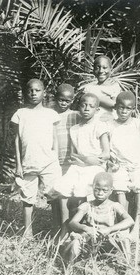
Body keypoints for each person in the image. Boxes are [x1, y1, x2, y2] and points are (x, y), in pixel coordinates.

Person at [11, 78, 61, 238]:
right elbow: (17, 140)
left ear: (44, 93)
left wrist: (56, 158)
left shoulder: (51, 114)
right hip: (28, 162)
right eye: (30, 90)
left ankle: (57, 229)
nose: (33, 93)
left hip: (49, 162)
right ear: (26, 93)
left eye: (37, 90)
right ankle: (27, 231)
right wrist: (18, 165)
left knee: (54, 196)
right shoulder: (20, 114)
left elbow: (55, 139)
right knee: (27, 198)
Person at [49, 92, 110, 217]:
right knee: (61, 186)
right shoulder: (75, 129)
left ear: (97, 110)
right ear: (79, 107)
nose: (87, 108)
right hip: (79, 166)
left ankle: (81, 223)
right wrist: (85, 160)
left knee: (82, 187)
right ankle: (65, 226)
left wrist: (89, 160)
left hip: (96, 167)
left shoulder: (100, 126)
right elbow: (73, 154)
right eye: (84, 105)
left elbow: (106, 154)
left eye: (91, 106)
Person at [60, 172, 134, 263]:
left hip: (109, 243)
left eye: (104, 190)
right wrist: (86, 228)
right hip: (90, 242)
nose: (100, 193)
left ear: (111, 190)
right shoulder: (87, 205)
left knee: (124, 236)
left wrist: (110, 229)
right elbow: (72, 222)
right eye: (97, 189)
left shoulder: (114, 206)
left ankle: (129, 266)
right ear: (93, 188)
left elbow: (130, 221)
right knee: (76, 241)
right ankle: (69, 267)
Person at [108, 91, 140, 241]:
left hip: (137, 165)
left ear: (133, 109)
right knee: (119, 188)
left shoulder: (138, 124)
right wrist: (110, 161)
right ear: (115, 107)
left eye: (128, 108)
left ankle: (136, 224)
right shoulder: (110, 125)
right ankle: (124, 225)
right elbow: (107, 147)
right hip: (119, 166)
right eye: (121, 107)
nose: (124, 111)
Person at [52, 83, 80, 227]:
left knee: (72, 194)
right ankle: (57, 225)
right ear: (55, 97)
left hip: (71, 161)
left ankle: (71, 224)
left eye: (67, 100)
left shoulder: (76, 115)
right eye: (60, 99)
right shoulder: (50, 114)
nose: (63, 103)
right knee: (55, 193)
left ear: (72, 100)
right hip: (55, 161)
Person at [82, 55, 121, 122]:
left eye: (104, 67)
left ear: (110, 69)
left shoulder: (114, 86)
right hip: (91, 122)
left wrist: (93, 96)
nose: (101, 71)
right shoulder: (89, 87)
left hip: (108, 121)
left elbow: (114, 104)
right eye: (97, 68)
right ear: (93, 70)